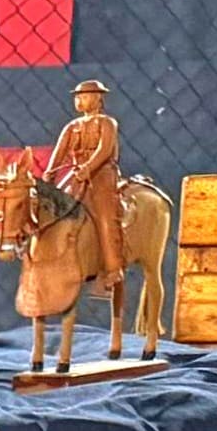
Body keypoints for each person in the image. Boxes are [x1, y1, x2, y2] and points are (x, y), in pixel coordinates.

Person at [45, 78, 126, 286]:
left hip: (101, 173)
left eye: (84, 96)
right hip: (77, 172)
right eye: (78, 97)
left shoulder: (107, 123)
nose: (79, 100)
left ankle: (113, 267)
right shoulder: (72, 127)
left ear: (98, 98)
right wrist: (50, 173)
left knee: (105, 215)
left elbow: (104, 150)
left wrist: (88, 168)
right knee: (56, 207)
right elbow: (59, 152)